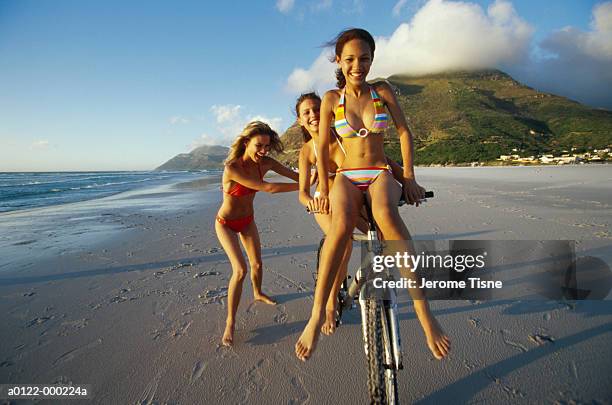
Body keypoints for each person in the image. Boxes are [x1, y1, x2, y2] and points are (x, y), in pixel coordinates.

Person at [295, 29, 450, 361]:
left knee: (387, 217)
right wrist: (322, 186)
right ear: (338, 60)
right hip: (348, 176)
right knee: (340, 228)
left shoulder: (382, 91)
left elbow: (404, 132)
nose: (357, 66)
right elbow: (321, 149)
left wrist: (408, 176)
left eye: (364, 58)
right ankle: (315, 315)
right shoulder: (332, 100)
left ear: (372, 59)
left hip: (379, 172)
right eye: (350, 59)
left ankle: (425, 316)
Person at [295, 92, 404, 335]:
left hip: (354, 200)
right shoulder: (307, 151)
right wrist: (312, 202)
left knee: (385, 239)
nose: (313, 115)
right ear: (300, 120)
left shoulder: (347, 136)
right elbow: (302, 192)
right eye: (307, 113)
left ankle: (373, 286)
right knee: (342, 245)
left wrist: (406, 181)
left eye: (316, 109)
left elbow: (381, 160)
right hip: (326, 205)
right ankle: (331, 303)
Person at [216, 121, 299, 346]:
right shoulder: (232, 168)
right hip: (225, 223)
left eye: (267, 147)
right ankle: (230, 322)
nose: (263, 151)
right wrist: (304, 188)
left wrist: (319, 181)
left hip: (247, 221)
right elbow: (269, 188)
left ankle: (258, 292)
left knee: (258, 265)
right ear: (246, 143)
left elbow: (295, 176)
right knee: (240, 270)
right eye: (259, 146)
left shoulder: (267, 163)